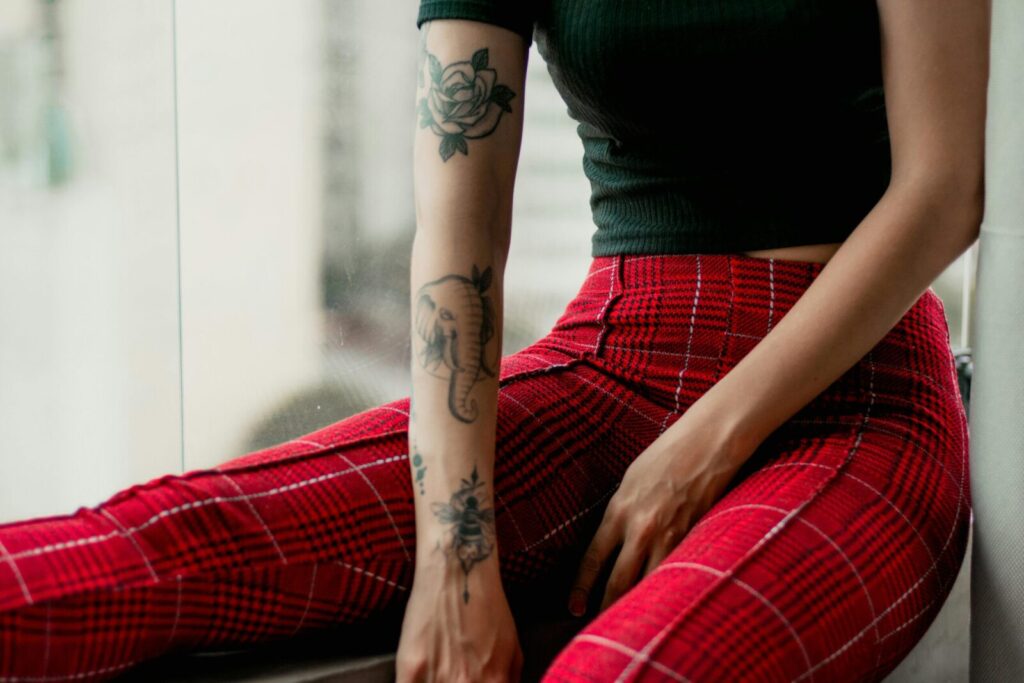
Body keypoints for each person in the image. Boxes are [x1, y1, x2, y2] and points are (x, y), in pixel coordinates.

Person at [0, 0, 988, 680]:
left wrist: (703, 445)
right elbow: (459, 235)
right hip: (619, 357)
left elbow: (944, 188)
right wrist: (453, 563)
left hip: (858, 394)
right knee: (152, 552)